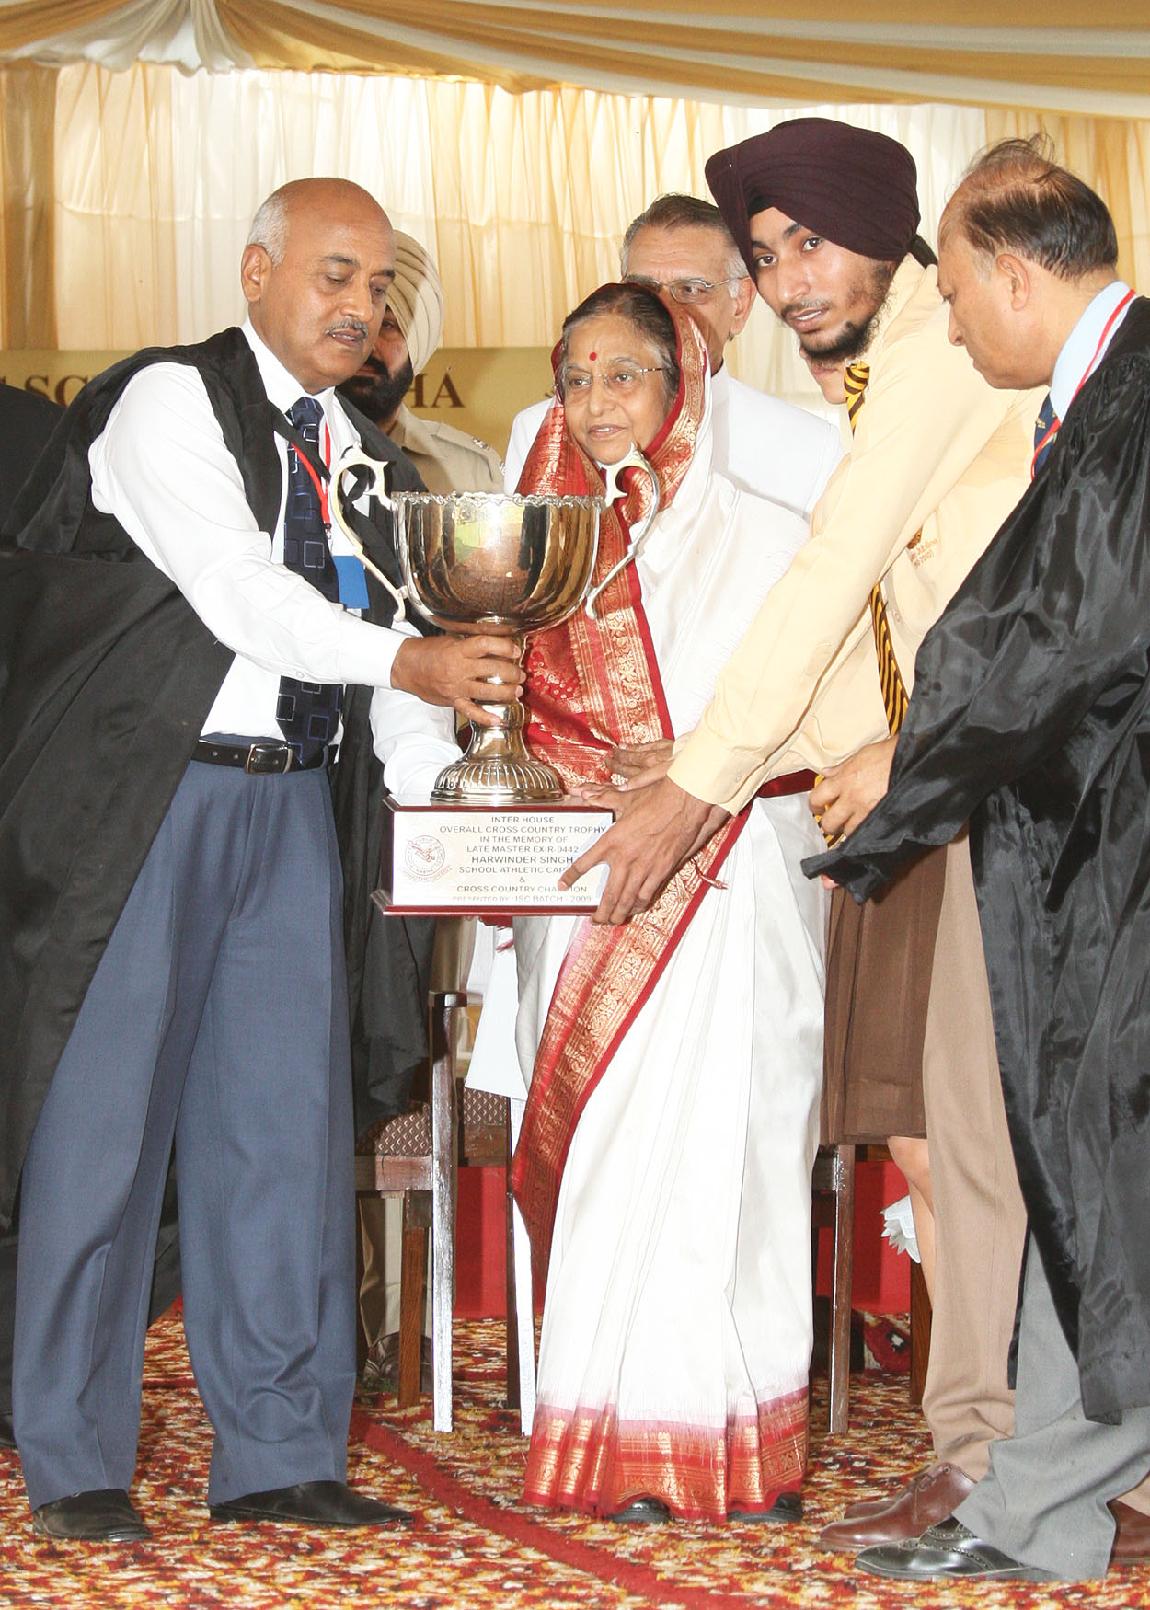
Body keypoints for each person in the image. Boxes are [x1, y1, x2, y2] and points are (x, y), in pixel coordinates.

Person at [558, 117, 1087, 1552]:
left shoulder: (934, 358)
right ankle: (1004, 1456)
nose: (788, 281)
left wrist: (698, 787)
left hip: (1009, 797)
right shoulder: (889, 368)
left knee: (977, 1143)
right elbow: (877, 631)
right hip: (950, 793)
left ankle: (1003, 1465)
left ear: (888, 233)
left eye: (809, 243)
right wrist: (734, 758)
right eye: (767, 254)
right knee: (955, 1137)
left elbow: (836, 574)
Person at [0, 177, 518, 1543]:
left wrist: (454, 820)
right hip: (145, 803)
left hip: (297, 810)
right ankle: (73, 1453)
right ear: (254, 272)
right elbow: (244, 594)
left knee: (284, 1136)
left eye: (377, 287)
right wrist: (411, 662)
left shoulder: (364, 458)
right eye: (333, 274)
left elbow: (400, 667)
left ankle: (280, 1449)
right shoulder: (167, 400)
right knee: (102, 1137)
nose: (358, 307)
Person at [811, 138, 1150, 1585]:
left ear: (1014, 275)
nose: (947, 327)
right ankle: (1035, 1508)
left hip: (1118, 849)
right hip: (1086, 842)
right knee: (1094, 1174)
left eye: (950, 294)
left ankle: (1035, 1504)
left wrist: (910, 771)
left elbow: (1064, 636)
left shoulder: (1132, 403)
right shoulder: (1105, 393)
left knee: (1104, 1177)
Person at [490, 281, 827, 1523]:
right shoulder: (542, 548)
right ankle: (620, 1445)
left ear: (681, 385)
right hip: (591, 892)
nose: (595, 403)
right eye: (575, 378)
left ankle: (745, 1446)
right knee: (613, 1161)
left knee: (740, 1155)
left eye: (623, 374)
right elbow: (506, 720)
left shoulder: (770, 536)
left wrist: (697, 772)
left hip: (740, 884)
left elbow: (814, 711)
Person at [338, 229, 503, 1398]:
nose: (371, 337)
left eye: (393, 318)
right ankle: (322, 1319)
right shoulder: (262, 449)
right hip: (296, 785)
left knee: (387, 1054)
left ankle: (385, 1321)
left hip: (419, 802)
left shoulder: (457, 468)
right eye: (354, 307)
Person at [503, 193, 841, 516]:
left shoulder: (807, 448)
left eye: (690, 290)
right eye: (643, 290)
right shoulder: (541, 433)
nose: (662, 312)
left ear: (740, 304)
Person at [338, 229, 503, 495]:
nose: (368, 344)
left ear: (417, 343)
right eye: (354, 325)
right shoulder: (283, 451)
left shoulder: (470, 473)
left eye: (387, 325)